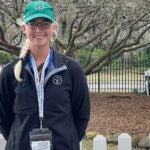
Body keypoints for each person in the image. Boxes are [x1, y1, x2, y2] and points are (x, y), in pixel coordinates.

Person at [0, 1, 90, 150]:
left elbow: (81, 115)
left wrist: (67, 140)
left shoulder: (71, 69)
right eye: (33, 23)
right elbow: (4, 118)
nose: (38, 29)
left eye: (44, 24)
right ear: (24, 27)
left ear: (53, 27)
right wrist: (19, 140)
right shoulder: (10, 72)